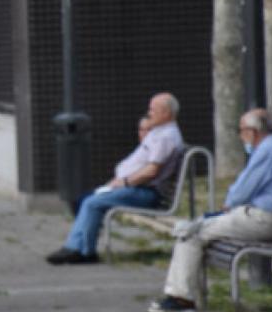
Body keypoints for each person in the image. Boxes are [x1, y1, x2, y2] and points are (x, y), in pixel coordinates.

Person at [148, 108, 272, 312]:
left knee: (191, 232)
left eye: (241, 131)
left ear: (252, 131)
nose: (240, 136)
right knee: (195, 227)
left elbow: (242, 190)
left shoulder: (269, 150)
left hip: (262, 220)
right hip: (259, 216)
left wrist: (228, 204)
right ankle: (183, 294)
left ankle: (181, 297)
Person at [46, 93, 184, 264]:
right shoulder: (160, 132)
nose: (149, 113)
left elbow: (151, 171)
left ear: (166, 113)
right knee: (89, 199)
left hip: (147, 192)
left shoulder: (166, 137)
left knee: (92, 202)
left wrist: (124, 182)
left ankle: (81, 250)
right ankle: (79, 247)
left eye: (153, 110)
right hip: (137, 187)